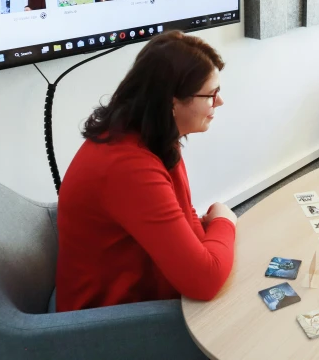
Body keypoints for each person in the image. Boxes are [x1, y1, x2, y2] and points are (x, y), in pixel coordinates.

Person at [56, 32, 237, 311]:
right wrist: (224, 222)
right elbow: (205, 281)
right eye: (211, 95)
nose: (220, 102)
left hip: (142, 287)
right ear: (172, 102)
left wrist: (208, 243)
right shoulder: (128, 167)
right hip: (110, 320)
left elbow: (184, 214)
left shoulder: (153, 134)